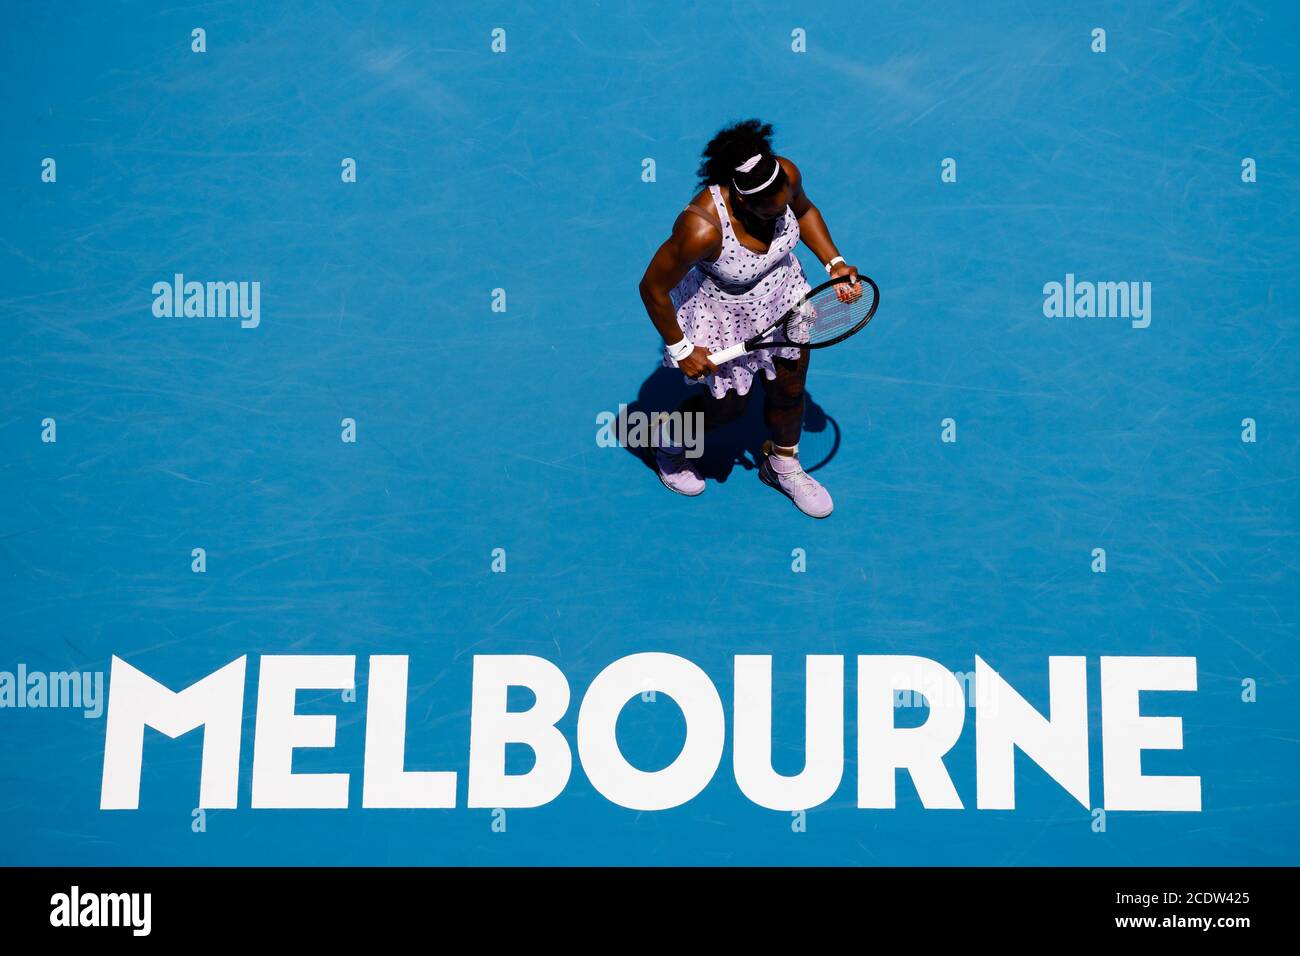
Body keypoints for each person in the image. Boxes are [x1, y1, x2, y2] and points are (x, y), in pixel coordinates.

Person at [638, 119, 859, 518]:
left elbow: (805, 211)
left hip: (785, 298)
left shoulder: (785, 175)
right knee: (728, 410)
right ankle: (669, 439)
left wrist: (835, 262)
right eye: (768, 212)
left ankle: (782, 466)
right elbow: (652, 288)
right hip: (726, 319)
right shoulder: (700, 229)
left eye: (782, 204)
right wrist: (682, 347)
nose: (778, 217)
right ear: (741, 201)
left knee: (791, 391)